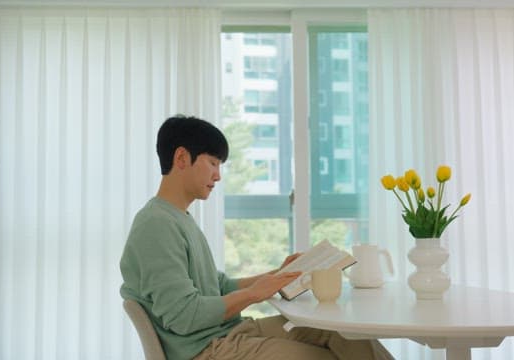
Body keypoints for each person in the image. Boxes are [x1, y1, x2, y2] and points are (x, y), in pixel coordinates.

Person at [119, 115, 393, 360]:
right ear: (181, 158)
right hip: (207, 349)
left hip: (231, 333)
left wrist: (278, 275)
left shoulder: (178, 218)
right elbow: (184, 316)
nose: (218, 175)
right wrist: (253, 294)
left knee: (342, 333)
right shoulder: (155, 226)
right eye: (213, 163)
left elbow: (220, 286)